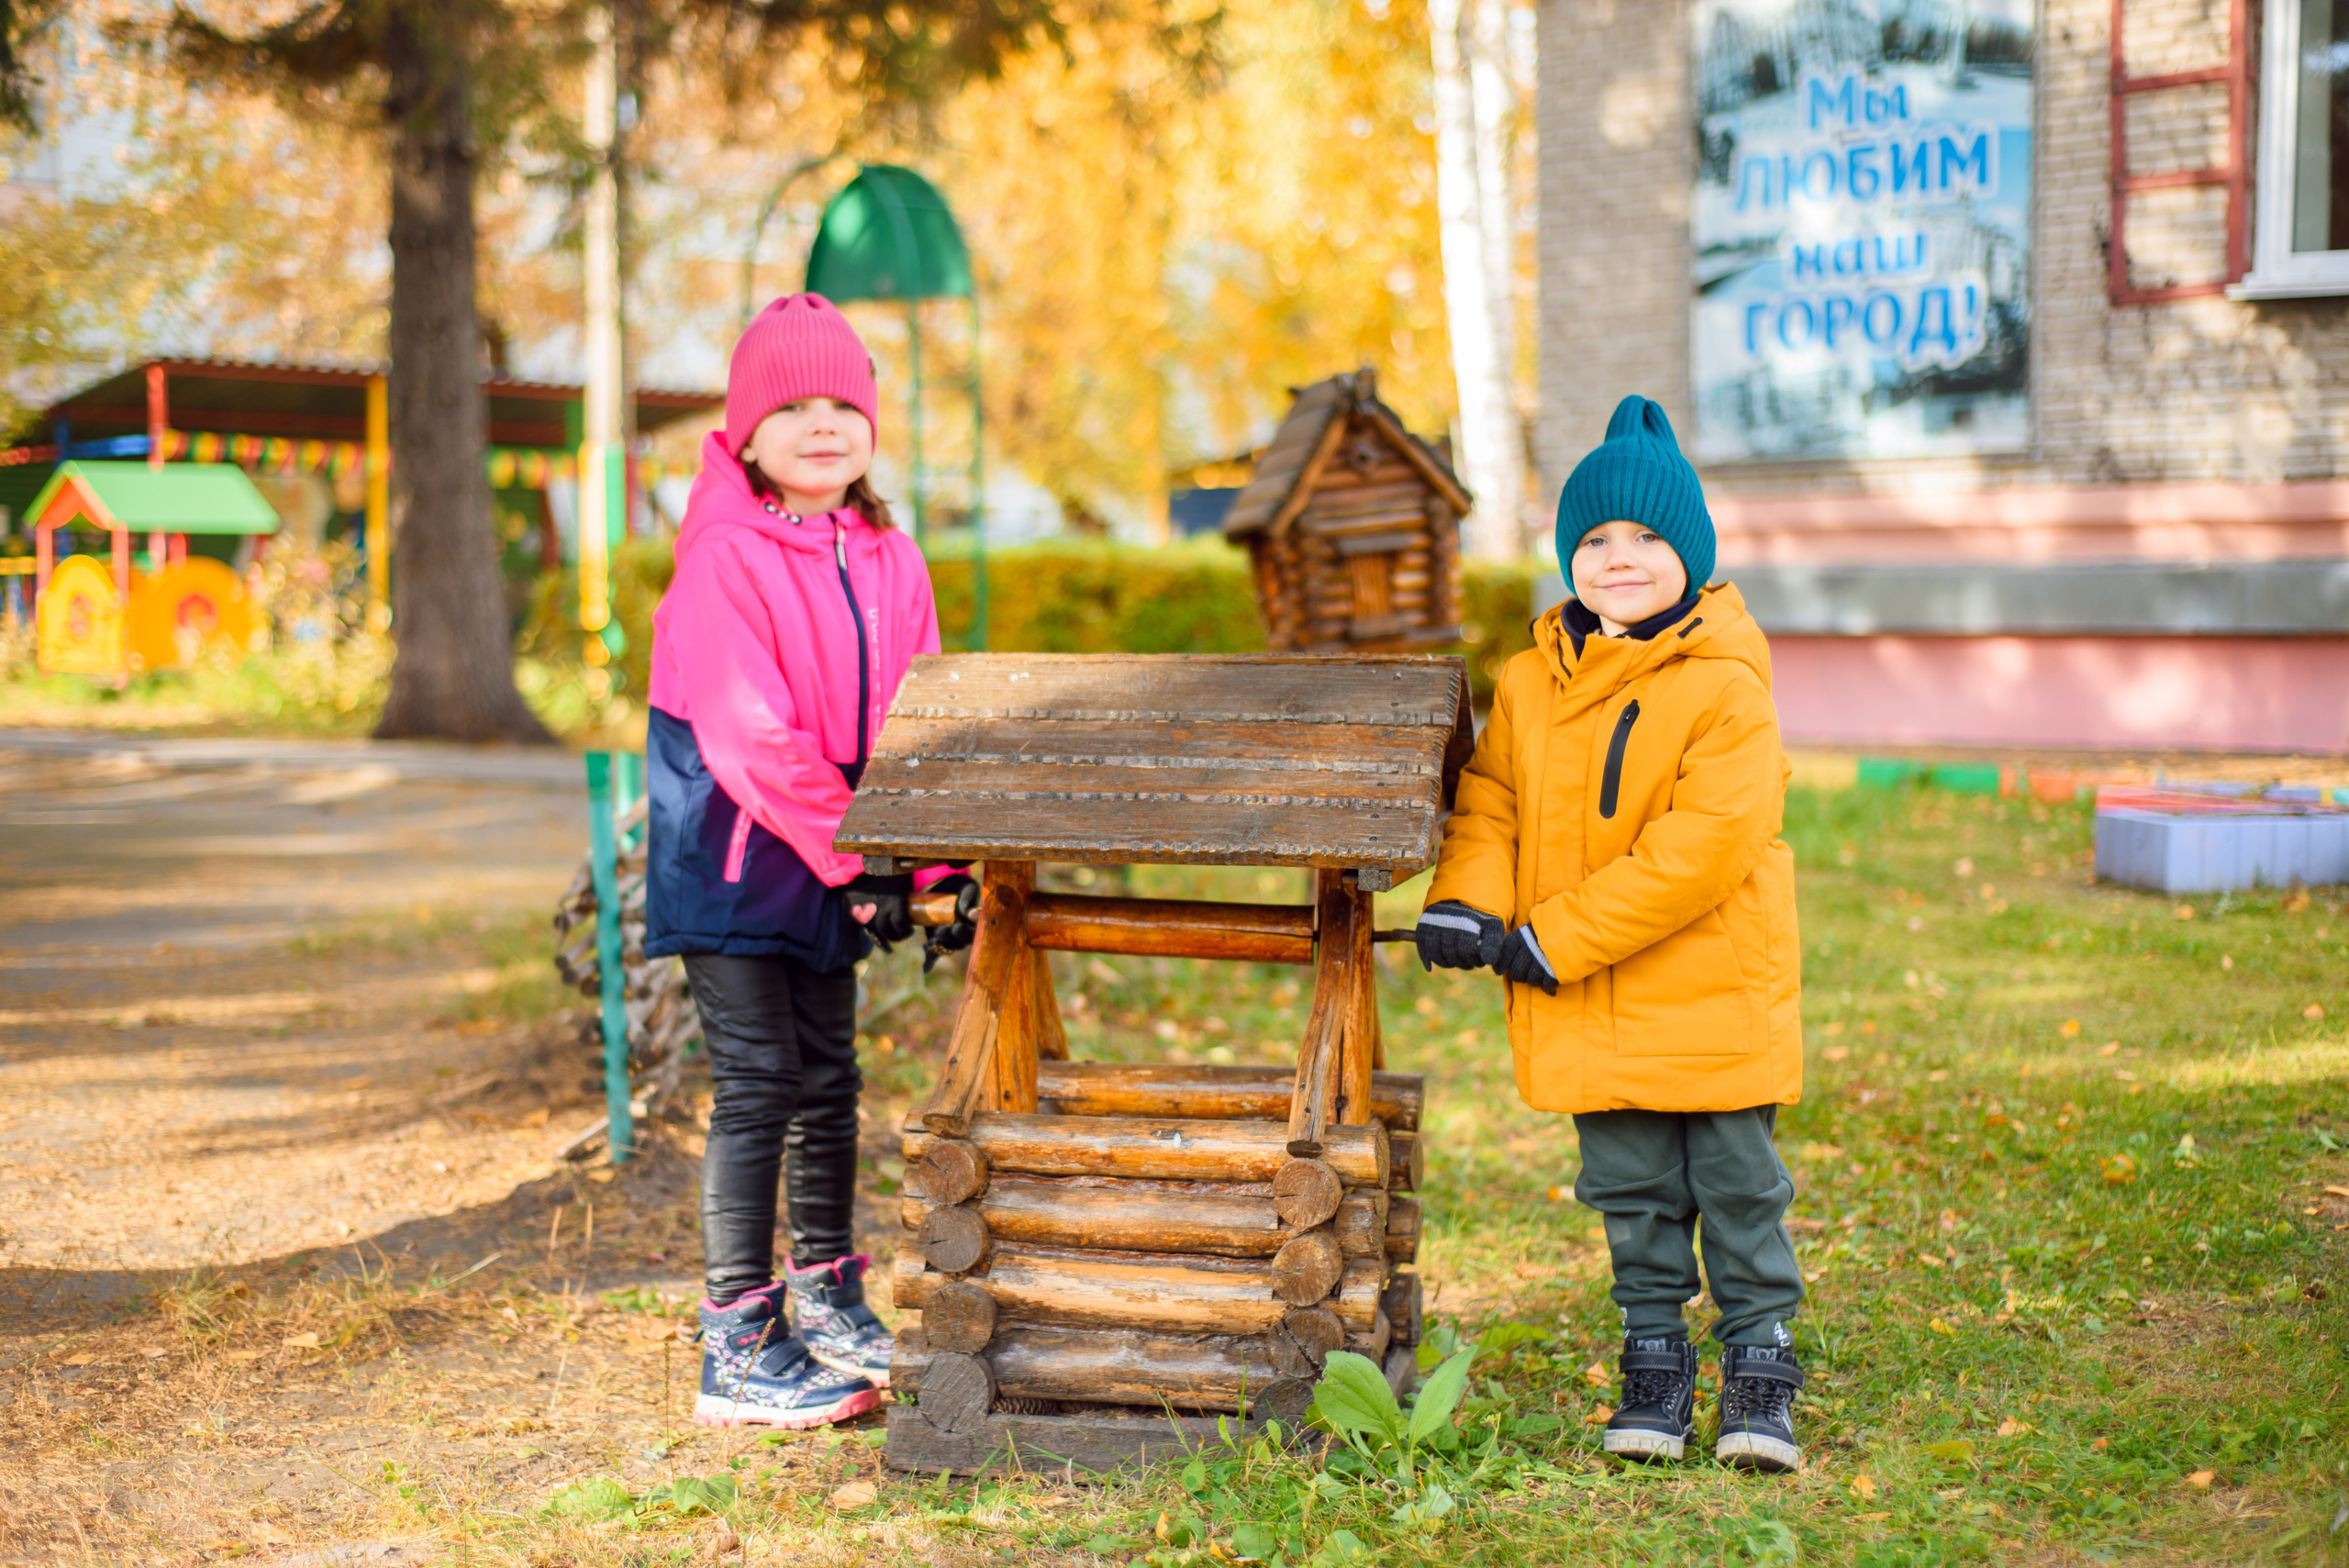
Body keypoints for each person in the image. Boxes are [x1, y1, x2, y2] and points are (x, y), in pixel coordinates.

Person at [1414, 395, 1807, 1471]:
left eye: (1643, 537)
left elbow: (1704, 848)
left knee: (1735, 1182)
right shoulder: (1534, 678)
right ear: (1566, 554)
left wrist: (1554, 936)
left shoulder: (1724, 682)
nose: (1617, 557)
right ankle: (1653, 1353)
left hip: (1707, 984)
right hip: (1589, 996)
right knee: (1628, 1184)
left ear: (1689, 551)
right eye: (1593, 539)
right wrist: (1471, 898)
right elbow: (1493, 795)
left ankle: (1760, 1360)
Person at [643, 293, 977, 1429]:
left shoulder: (891, 555)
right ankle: (735, 1341)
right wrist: (856, 857)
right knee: (759, 1086)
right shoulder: (723, 554)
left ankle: (825, 1293)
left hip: (835, 853)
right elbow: (747, 734)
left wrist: (927, 869)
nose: (823, 422)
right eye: (793, 405)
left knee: (830, 1081)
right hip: (737, 854)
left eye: (845, 402)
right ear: (746, 431)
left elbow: (913, 720)